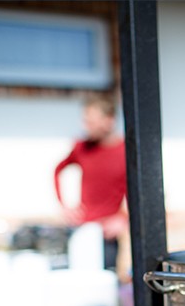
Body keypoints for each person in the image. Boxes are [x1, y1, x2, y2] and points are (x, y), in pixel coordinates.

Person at [54, 94, 129, 272]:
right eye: (84, 121)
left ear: (109, 120)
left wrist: (123, 218)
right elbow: (57, 171)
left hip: (106, 235)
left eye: (91, 122)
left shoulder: (125, 151)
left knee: (107, 280)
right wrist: (64, 206)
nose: (85, 127)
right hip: (80, 228)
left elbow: (138, 193)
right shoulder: (82, 147)